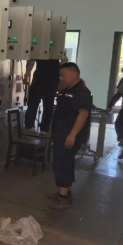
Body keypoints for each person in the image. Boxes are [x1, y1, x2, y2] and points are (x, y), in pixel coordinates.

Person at [48, 62, 92, 211]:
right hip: (62, 132)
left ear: (74, 74)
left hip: (68, 135)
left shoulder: (81, 92)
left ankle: (62, 198)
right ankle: (66, 191)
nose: (62, 78)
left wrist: (72, 135)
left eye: (64, 75)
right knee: (67, 162)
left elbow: (83, 114)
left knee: (61, 164)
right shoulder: (69, 89)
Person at [24, 59, 60, 133]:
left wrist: (26, 75)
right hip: (52, 79)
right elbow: (64, 60)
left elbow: (31, 61)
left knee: (33, 104)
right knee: (48, 105)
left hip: (40, 78)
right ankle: (44, 129)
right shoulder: (57, 54)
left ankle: (29, 126)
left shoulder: (40, 52)